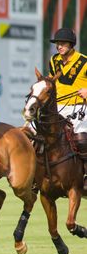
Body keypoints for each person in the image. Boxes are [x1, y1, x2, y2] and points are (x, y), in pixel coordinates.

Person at [49, 28, 87, 189]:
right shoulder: (54, 60)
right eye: (57, 43)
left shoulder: (84, 61)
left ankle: (85, 174)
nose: (59, 46)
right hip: (58, 107)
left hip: (79, 107)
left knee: (81, 138)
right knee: (39, 135)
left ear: (71, 45)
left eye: (62, 43)